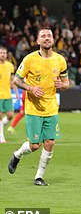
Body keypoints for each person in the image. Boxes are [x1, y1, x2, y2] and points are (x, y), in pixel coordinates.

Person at [7, 27, 70, 186]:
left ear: (53, 40)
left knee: (50, 142)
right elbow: (17, 80)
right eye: (43, 36)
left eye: (49, 35)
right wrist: (30, 88)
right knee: (35, 145)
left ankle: (39, 177)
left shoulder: (60, 60)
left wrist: (61, 85)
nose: (46, 38)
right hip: (33, 108)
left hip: (51, 107)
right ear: (38, 41)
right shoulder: (29, 59)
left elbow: (67, 83)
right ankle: (17, 155)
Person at [0, 46, 16, 143]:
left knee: (10, 115)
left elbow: (12, 80)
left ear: (6, 55)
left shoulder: (10, 65)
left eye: (4, 53)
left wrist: (16, 92)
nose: (2, 55)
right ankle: (1, 137)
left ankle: (1, 127)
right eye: (1, 53)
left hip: (8, 95)